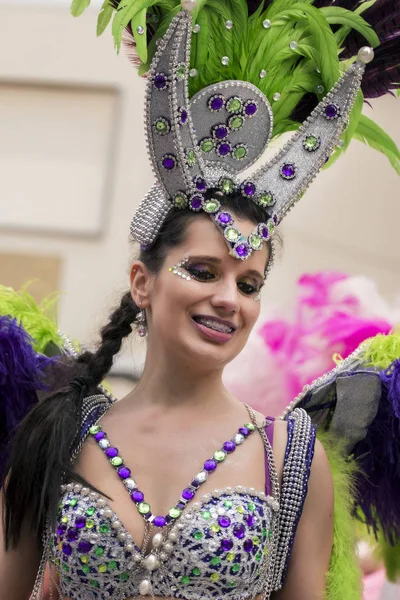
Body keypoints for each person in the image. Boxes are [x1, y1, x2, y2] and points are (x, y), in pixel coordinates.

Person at [1, 1, 399, 599]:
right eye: (202, 271)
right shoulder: (56, 434)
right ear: (143, 281)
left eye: (248, 284)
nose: (226, 300)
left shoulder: (290, 456)